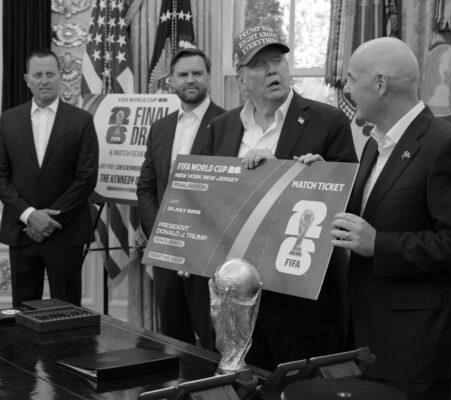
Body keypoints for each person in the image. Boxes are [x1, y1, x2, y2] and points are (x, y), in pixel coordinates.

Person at [331, 37, 451, 400]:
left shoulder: (445, 144)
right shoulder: (374, 144)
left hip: (416, 348)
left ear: (380, 84)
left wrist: (378, 244)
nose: (346, 89)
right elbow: (368, 212)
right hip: (367, 339)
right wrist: (319, 178)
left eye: (352, 79)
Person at [201, 25, 358, 369]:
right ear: (242, 80)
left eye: (277, 61)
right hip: (237, 301)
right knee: (242, 386)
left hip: (302, 306)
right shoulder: (221, 127)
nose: (272, 70)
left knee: (301, 389)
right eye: (260, 64)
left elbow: (350, 205)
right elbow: (208, 202)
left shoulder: (328, 121)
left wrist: (304, 176)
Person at [0, 49, 98, 308]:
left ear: (61, 77)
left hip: (65, 232)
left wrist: (49, 220)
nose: (45, 80)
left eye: (50, 74)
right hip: (22, 231)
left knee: (67, 312)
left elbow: (86, 178)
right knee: (23, 312)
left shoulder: (81, 121)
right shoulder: (8, 120)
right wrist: (30, 215)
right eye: (38, 75)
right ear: (27, 80)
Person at [137, 48, 225, 350]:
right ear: (171, 81)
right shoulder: (159, 128)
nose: (190, 80)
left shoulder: (229, 123)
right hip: (166, 254)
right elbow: (146, 188)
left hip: (208, 256)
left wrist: (194, 245)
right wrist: (161, 237)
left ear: (208, 77)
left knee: (213, 341)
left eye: (197, 73)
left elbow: (229, 194)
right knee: (172, 338)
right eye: (183, 74)